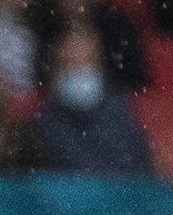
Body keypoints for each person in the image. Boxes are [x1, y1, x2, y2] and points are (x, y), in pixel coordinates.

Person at [18, 24, 151, 175]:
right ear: (57, 65)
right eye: (70, 62)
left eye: (86, 61)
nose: (78, 69)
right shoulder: (43, 116)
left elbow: (133, 161)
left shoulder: (120, 108)